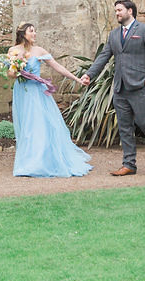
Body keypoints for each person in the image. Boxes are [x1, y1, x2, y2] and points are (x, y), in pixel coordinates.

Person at [79, 0, 145, 177]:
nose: (117, 13)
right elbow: (104, 56)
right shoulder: (114, 35)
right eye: (116, 10)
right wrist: (89, 74)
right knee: (124, 127)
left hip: (140, 87)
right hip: (120, 88)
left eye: (120, 10)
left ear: (130, 11)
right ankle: (129, 164)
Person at [8, 23, 93, 178]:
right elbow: (10, 75)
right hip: (22, 92)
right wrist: (17, 65)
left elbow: (57, 67)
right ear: (23, 33)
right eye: (31, 31)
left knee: (40, 124)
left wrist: (77, 79)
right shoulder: (13, 51)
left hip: (37, 91)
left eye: (35, 31)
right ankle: (28, 161)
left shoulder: (39, 50)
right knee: (26, 126)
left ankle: (41, 161)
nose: (34, 33)